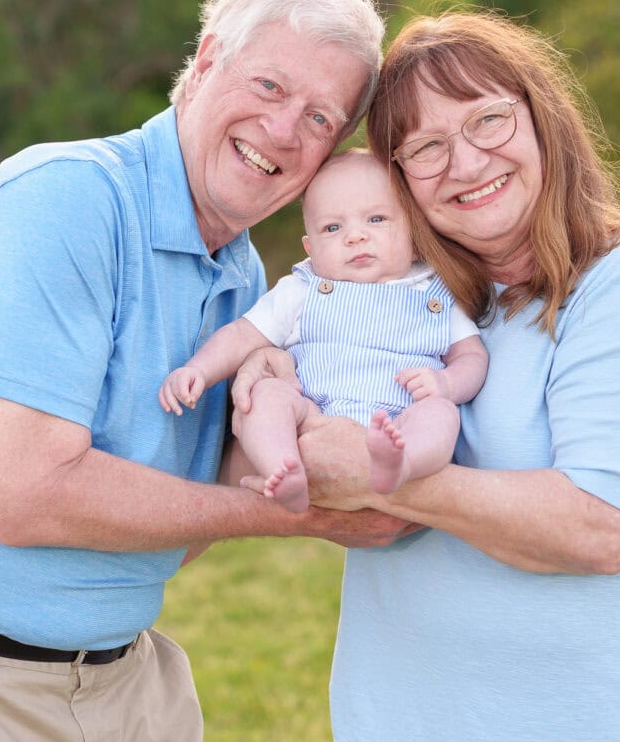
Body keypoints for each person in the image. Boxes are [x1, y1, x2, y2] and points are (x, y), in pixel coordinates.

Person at [0, 0, 407, 742]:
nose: (282, 128)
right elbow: (28, 495)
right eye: (267, 85)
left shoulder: (245, 285)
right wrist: (300, 518)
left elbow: (180, 522)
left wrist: (326, 451)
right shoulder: (66, 203)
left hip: (125, 688)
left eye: (319, 117)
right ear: (202, 65)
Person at [237, 11, 620, 742]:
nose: (465, 163)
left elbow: (608, 529)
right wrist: (258, 377)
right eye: (426, 149)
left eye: (488, 121)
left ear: (544, 122)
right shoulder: (412, 305)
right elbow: (284, 441)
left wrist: (388, 480)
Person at [159, 149, 489, 513]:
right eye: (333, 228)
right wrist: (199, 370)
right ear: (310, 248)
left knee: (440, 414)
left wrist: (446, 384)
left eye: (377, 219)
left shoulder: (436, 295)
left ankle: (402, 465)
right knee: (265, 395)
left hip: (400, 418)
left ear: (414, 233)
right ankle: (284, 469)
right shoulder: (302, 289)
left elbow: (471, 356)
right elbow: (242, 334)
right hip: (311, 415)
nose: (355, 237)